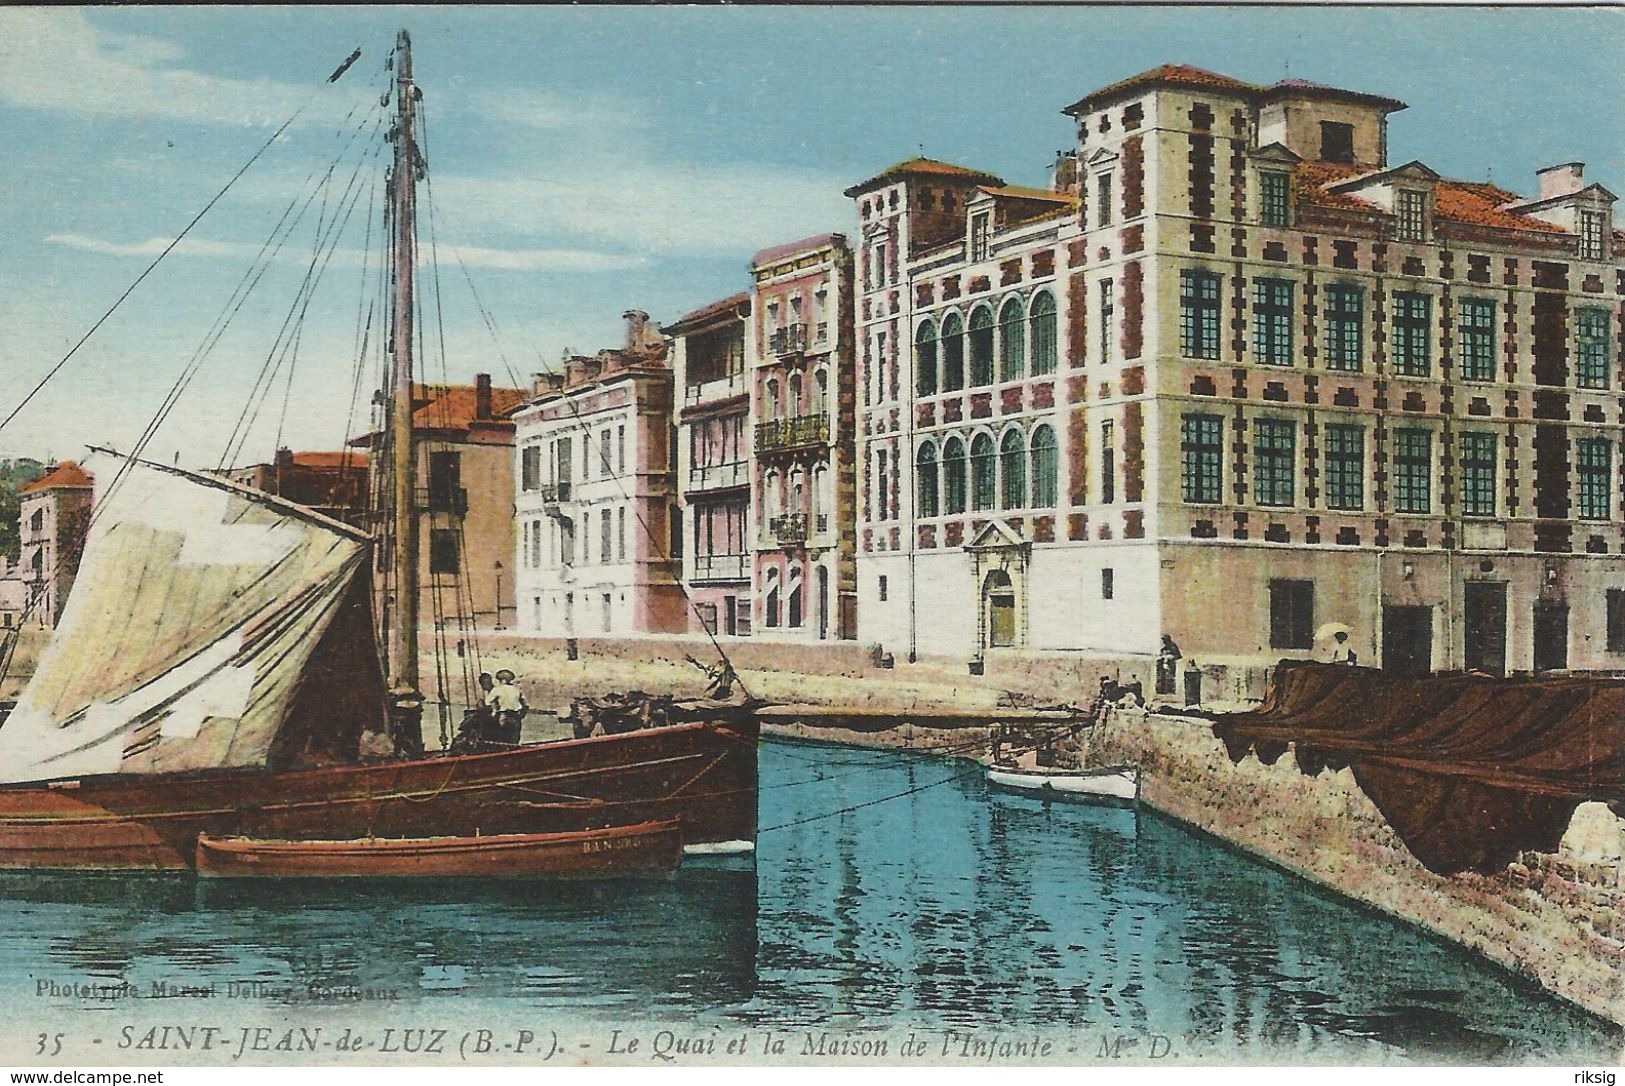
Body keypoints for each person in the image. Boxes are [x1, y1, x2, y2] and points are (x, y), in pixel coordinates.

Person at [487, 669, 528, 743]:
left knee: (503, 738)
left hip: (503, 715)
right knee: (515, 738)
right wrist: (522, 714)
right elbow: (524, 703)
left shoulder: (497, 689)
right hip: (515, 716)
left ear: (502, 680)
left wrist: (494, 711)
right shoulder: (516, 689)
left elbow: (489, 701)